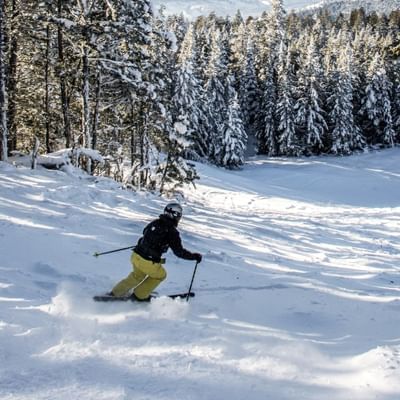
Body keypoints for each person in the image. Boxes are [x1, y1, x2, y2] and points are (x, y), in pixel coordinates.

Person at [109, 202, 202, 301]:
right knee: (160, 275)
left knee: (137, 276)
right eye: (179, 216)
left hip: (136, 256)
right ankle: (140, 295)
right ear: (175, 216)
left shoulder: (155, 222)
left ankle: (116, 292)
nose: (179, 218)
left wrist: (151, 243)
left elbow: (145, 233)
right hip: (148, 261)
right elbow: (179, 252)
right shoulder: (172, 232)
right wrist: (194, 256)